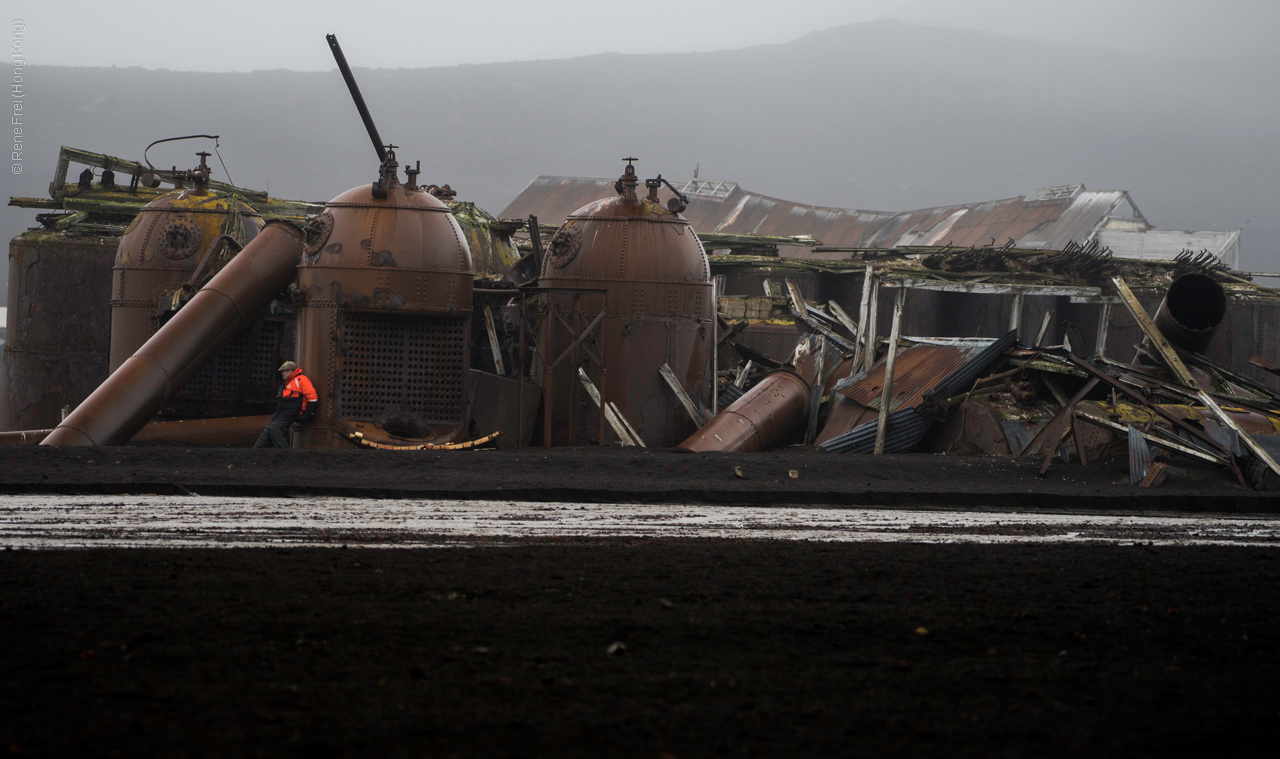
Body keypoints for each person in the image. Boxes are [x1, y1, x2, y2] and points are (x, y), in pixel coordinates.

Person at [254, 361, 318, 448]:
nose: (282, 373)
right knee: (268, 430)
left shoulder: (302, 380)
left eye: (283, 371)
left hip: (291, 413)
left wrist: (309, 414)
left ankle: (286, 454)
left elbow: (313, 397)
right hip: (281, 413)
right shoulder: (288, 383)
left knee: (274, 428)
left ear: (290, 372)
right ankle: (256, 452)